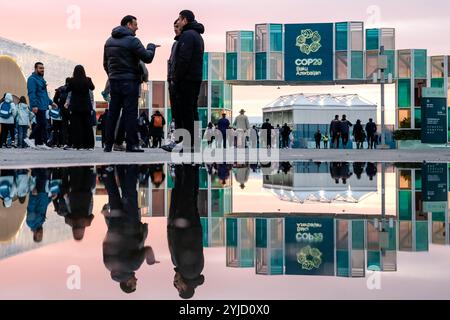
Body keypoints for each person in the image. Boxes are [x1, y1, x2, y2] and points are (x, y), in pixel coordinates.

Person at [103, 15, 157, 153]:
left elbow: (105, 63)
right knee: (130, 113)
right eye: (135, 24)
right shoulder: (133, 41)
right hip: (130, 82)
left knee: (113, 113)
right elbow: (147, 57)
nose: (137, 27)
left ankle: (108, 145)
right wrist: (151, 47)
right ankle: (131, 145)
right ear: (128, 24)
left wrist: (112, 75)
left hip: (115, 81)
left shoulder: (109, 41)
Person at [102, 165, 158, 294]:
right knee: (114, 197)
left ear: (127, 283)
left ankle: (131, 168)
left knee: (130, 195)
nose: (136, 280)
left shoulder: (133, 266)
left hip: (130, 225)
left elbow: (147, 250)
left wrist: (151, 260)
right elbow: (105, 244)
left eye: (134, 284)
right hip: (115, 226)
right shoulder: (108, 266)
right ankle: (108, 171)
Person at [162, 10, 205, 153]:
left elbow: (183, 60)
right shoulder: (196, 35)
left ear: (185, 20)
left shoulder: (187, 35)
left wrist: (176, 78)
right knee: (191, 111)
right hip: (193, 78)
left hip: (186, 80)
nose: (178, 22)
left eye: (179, 19)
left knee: (186, 112)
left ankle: (188, 143)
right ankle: (192, 143)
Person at [168, 165, 205, 299]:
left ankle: (189, 168)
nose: (176, 285)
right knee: (187, 195)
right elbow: (186, 248)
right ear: (185, 288)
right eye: (179, 288)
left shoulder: (189, 271)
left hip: (187, 226)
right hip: (185, 226)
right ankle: (188, 167)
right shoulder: (190, 272)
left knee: (187, 195)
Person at [26, 62, 58, 150]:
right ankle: (30, 138)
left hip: (44, 105)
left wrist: (51, 102)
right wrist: (34, 105)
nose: (42, 70)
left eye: (43, 68)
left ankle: (39, 143)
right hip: (38, 105)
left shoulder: (41, 80)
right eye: (40, 68)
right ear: (35, 69)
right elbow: (31, 93)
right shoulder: (32, 79)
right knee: (42, 123)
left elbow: (44, 94)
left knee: (42, 124)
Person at [65, 65, 95, 150]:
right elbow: (92, 88)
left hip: (75, 106)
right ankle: (89, 145)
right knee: (88, 126)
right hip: (86, 106)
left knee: (77, 126)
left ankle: (79, 145)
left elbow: (67, 90)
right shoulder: (88, 79)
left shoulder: (71, 80)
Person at [26, 169, 51, 243]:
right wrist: (50, 199)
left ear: (34, 234)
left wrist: (33, 196)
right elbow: (43, 207)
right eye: (42, 235)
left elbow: (31, 208)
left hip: (37, 194)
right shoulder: (40, 223)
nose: (41, 233)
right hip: (44, 194)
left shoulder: (30, 223)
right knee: (45, 174)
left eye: (39, 235)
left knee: (40, 174)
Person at [53, 79, 71, 148]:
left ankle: (64, 142)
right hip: (70, 109)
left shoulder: (60, 89)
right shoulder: (71, 89)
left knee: (64, 126)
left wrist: (59, 106)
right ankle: (70, 142)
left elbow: (55, 99)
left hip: (62, 109)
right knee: (72, 125)